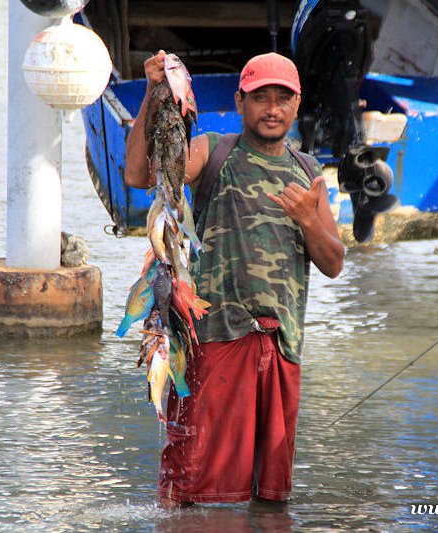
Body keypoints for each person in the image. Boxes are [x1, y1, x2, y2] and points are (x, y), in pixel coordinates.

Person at [124, 50, 344, 507]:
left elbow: (334, 262)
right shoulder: (214, 152)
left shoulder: (308, 173)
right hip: (216, 340)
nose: (272, 108)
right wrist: (152, 93)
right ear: (240, 103)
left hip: (282, 344)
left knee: (270, 493)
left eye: (282, 98)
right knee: (198, 484)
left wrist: (308, 218)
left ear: (297, 106)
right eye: (260, 97)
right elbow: (140, 174)